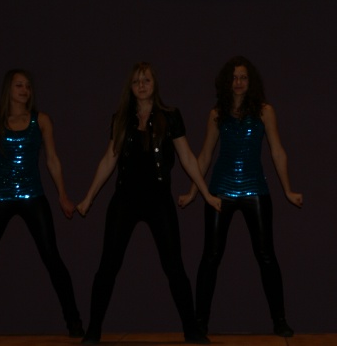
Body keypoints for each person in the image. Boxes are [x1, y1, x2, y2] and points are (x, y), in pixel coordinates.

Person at [76, 62, 222, 345]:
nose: (141, 85)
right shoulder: (121, 118)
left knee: (174, 266)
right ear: (130, 88)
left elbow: (187, 157)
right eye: (136, 82)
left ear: (155, 84)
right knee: (108, 265)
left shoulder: (170, 116)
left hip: (158, 199)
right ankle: (93, 330)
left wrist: (205, 193)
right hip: (125, 199)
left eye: (146, 80)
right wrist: (88, 198)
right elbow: (109, 159)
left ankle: (191, 330)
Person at [0, 69, 84, 338]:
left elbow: (52, 160)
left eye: (28, 86)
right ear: (8, 89)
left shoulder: (41, 121)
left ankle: (74, 321)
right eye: (19, 85)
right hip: (0, 194)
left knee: (52, 257)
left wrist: (62, 195)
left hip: (32, 194)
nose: (25, 90)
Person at [178, 56, 303, 337]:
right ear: (227, 82)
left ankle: (279, 320)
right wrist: (193, 192)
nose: (238, 82)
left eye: (243, 77)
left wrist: (287, 190)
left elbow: (277, 151)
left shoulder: (264, 111)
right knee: (211, 255)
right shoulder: (217, 114)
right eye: (234, 78)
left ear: (251, 81)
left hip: (255, 188)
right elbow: (205, 155)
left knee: (266, 255)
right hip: (220, 190)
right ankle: (200, 322)